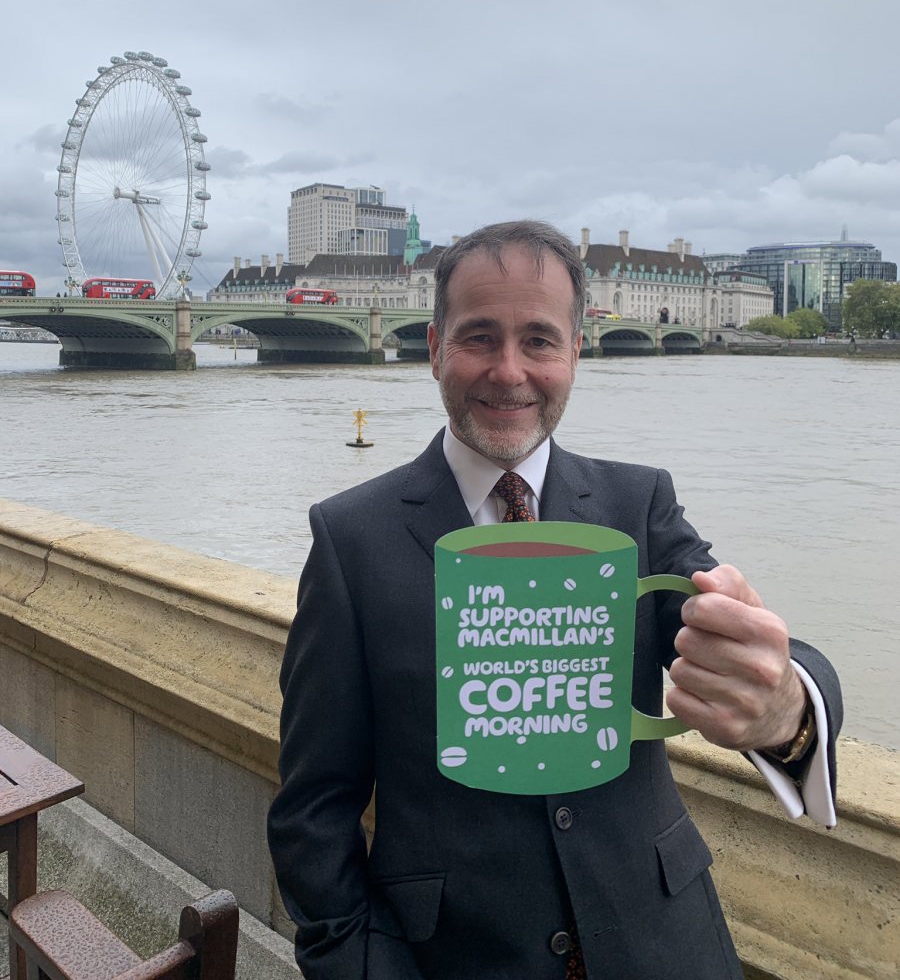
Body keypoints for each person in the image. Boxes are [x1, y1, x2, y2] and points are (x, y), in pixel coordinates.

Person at [268, 220, 841, 980]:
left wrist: (786, 708)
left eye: (539, 340)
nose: (509, 372)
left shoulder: (638, 504)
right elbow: (314, 805)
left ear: (578, 350)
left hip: (665, 945)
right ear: (434, 347)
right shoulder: (352, 539)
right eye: (479, 337)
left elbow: (735, 631)